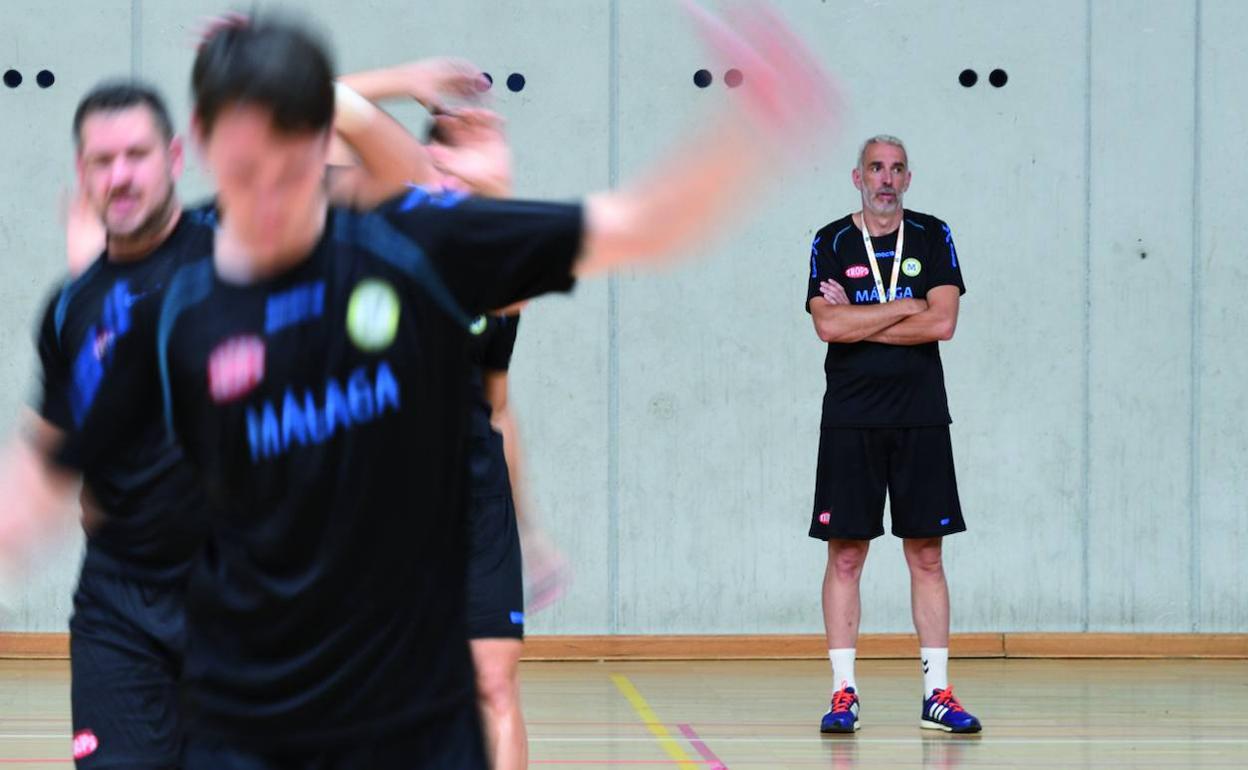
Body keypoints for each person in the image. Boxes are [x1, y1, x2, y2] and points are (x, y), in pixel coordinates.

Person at [28, 6, 834, 768]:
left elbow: (646, 224)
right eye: (245, 161)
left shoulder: (416, 242)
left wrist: (757, 123)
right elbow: (48, 478)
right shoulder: (178, 314)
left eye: (289, 145)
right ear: (207, 150)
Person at [0, 58, 477, 769]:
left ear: (173, 157)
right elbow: (51, 456)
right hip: (120, 610)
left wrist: (348, 93)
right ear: (82, 173)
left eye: (136, 155)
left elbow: (409, 186)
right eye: (102, 161)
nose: (121, 176)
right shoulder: (72, 307)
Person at [806, 135, 981, 734]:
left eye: (896, 169)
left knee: (927, 554)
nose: (886, 178)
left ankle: (938, 694)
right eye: (875, 168)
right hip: (851, 416)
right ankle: (843, 694)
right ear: (856, 177)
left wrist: (861, 318)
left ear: (909, 178)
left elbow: (945, 321)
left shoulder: (933, 235)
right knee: (847, 555)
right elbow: (827, 327)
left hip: (920, 413)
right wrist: (905, 307)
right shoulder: (830, 240)